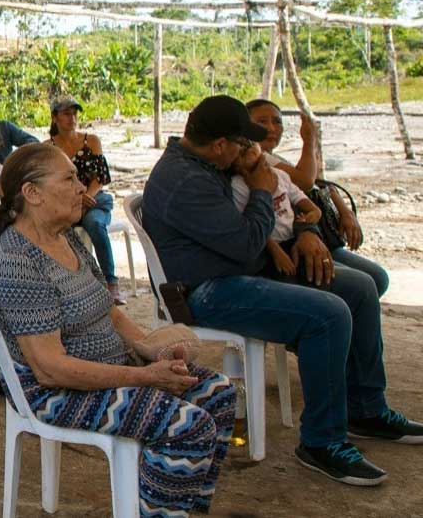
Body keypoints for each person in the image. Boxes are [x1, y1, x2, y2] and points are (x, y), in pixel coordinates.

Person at [143, 95, 423, 487]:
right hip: (209, 290)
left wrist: (305, 229)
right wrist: (260, 190)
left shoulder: (209, 162)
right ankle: (322, 442)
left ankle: (366, 409)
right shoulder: (185, 180)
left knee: (359, 288)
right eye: (241, 143)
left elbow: (292, 198)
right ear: (221, 144)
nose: (249, 152)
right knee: (329, 314)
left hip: (246, 271)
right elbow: (246, 244)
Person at [0, 143, 236, 518]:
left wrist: (150, 348)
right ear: (32, 193)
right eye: (69, 178)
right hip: (57, 392)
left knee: (219, 395)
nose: (82, 186)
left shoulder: (68, 238)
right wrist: (144, 377)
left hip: (112, 367)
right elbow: (50, 369)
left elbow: (110, 313)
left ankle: (178, 505)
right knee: (187, 426)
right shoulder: (15, 262)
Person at [247, 98, 390, 297]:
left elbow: (320, 185)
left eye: (277, 121)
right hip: (296, 240)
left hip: (317, 233)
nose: (272, 128)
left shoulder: (277, 159)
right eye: (262, 122)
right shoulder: (259, 161)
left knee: (376, 278)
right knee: (367, 283)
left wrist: (345, 212)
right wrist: (310, 141)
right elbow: (305, 181)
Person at [47, 95, 123, 303]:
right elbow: (51, 182)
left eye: (74, 113)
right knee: (55, 229)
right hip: (68, 203)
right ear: (55, 118)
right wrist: (74, 202)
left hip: (95, 199)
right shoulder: (49, 147)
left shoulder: (91, 140)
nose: (72, 118)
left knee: (94, 224)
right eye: (66, 114)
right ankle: (73, 284)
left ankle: (111, 281)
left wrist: (86, 197)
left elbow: (100, 178)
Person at [229, 143, 325, 288]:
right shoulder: (236, 185)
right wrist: (276, 253)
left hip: (294, 240)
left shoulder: (280, 175)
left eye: (250, 143)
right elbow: (249, 224)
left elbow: (307, 204)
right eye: (240, 147)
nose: (246, 148)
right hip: (271, 249)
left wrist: (309, 220)